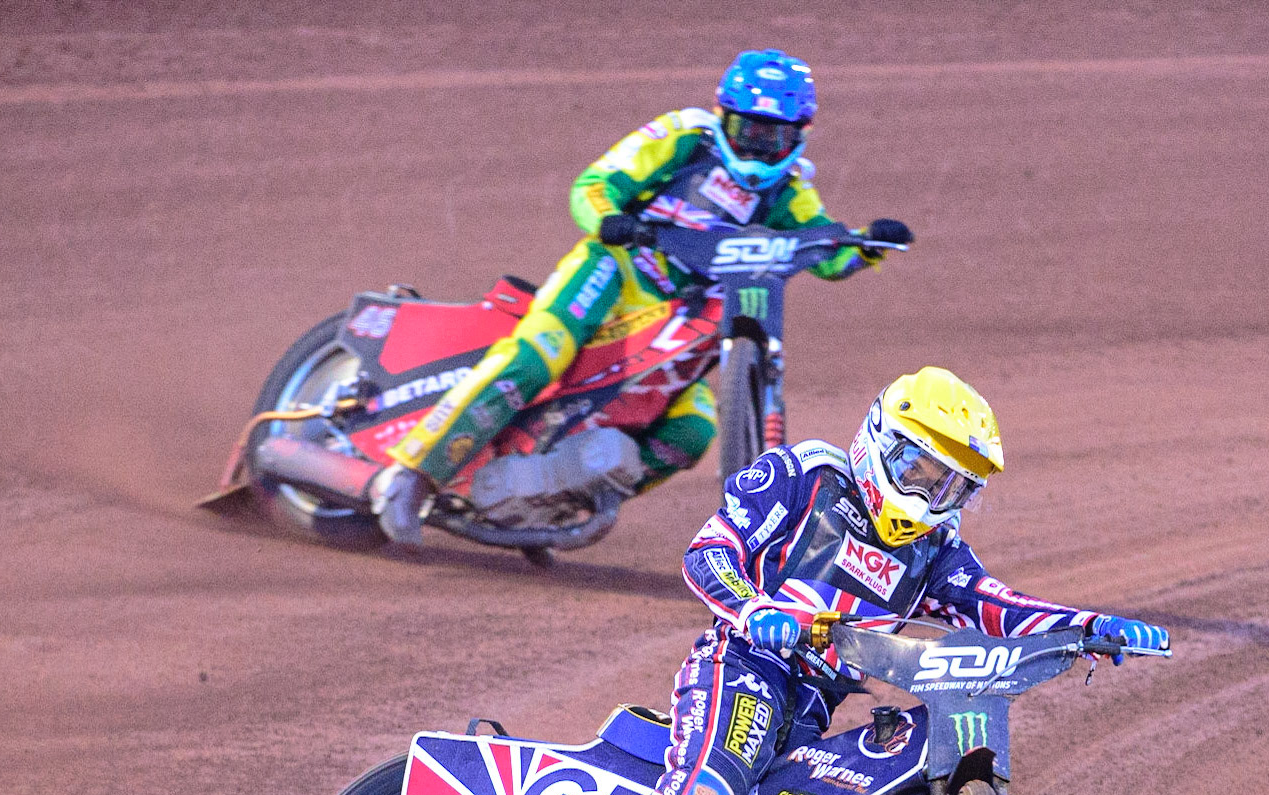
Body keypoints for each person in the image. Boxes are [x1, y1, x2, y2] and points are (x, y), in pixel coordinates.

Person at [488, 366, 1171, 795]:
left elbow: (997, 605)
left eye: (951, 487)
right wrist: (756, 608)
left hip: (812, 711)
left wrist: (1090, 625)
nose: (929, 496)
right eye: (920, 470)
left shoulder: (933, 551)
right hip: (743, 668)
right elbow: (708, 553)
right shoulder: (804, 476)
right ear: (881, 441)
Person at [369, 48, 912, 545]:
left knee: (694, 429)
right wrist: (610, 220)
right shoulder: (683, 137)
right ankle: (413, 475)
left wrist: (867, 245)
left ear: (799, 136)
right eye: (747, 130)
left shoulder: (790, 189)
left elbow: (824, 252)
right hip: (618, 272)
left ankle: (559, 504)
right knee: (537, 358)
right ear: (723, 116)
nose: (757, 147)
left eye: (773, 137)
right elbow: (594, 185)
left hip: (687, 318)